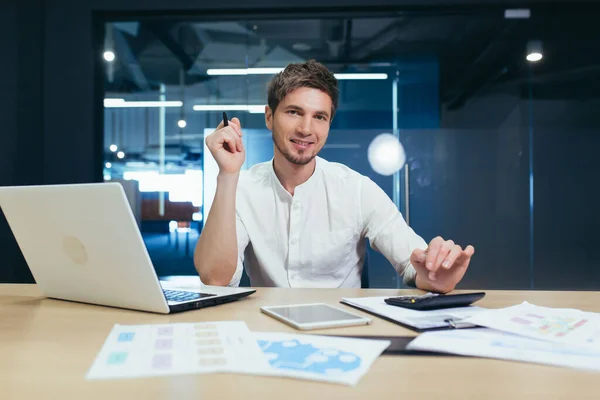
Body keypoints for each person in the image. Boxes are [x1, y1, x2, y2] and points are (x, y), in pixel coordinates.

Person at [194, 59, 474, 293]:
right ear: (269, 117)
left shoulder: (357, 189)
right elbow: (216, 279)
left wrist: (436, 276)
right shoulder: (242, 188)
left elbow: (413, 262)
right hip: (267, 332)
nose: (306, 128)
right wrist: (228, 175)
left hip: (343, 334)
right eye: (294, 112)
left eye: (320, 117)